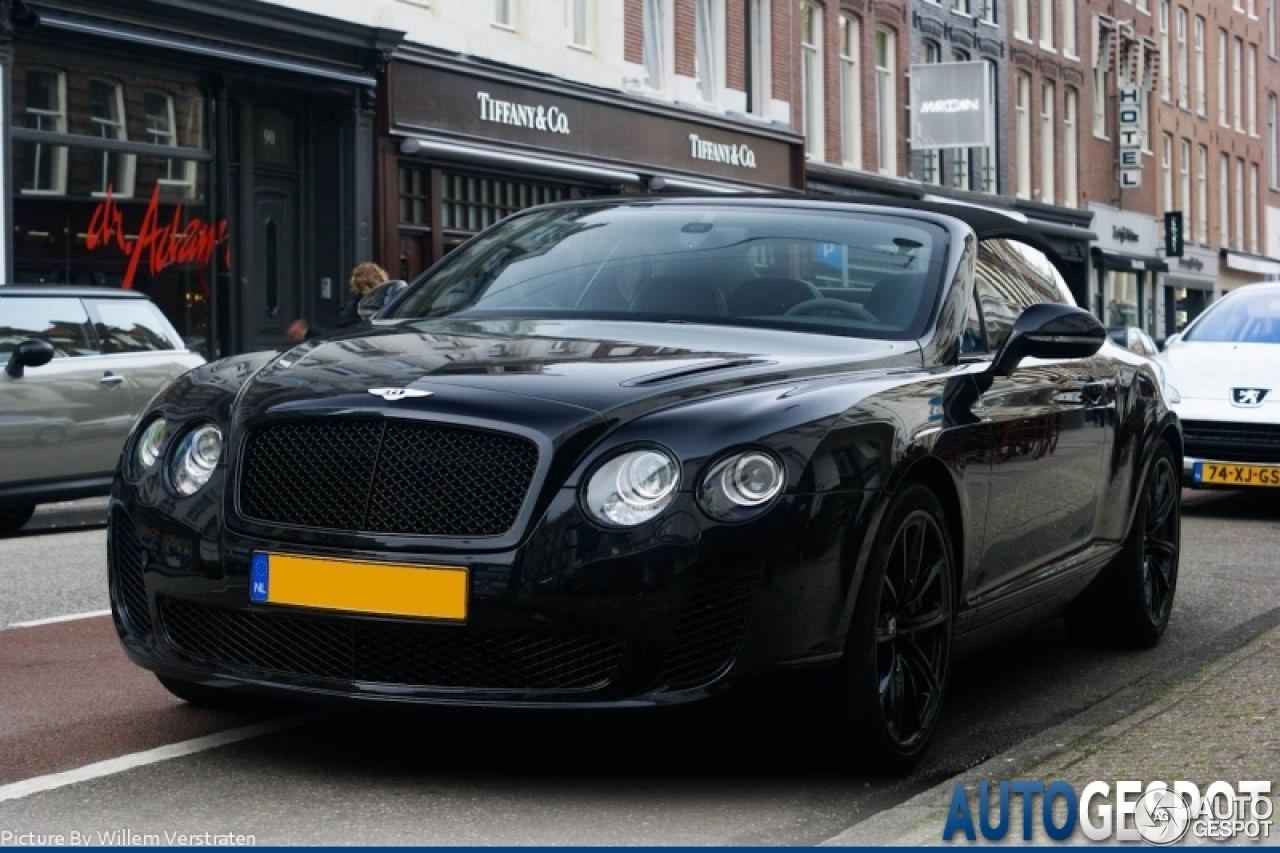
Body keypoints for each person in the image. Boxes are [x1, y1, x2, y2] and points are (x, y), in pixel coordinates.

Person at [287, 261, 389, 343]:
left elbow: (342, 336)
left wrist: (307, 333)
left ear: (356, 282)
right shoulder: (390, 301)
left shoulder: (359, 305)